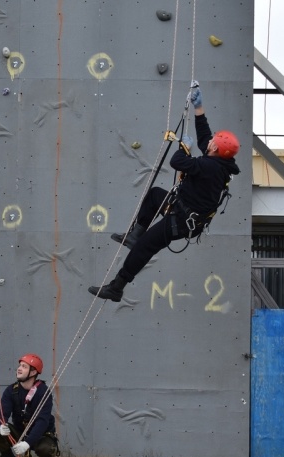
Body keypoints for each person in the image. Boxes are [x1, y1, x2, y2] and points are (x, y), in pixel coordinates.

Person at [89, 84, 240, 302]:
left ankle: (116, 288)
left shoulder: (209, 167)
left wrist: (183, 148)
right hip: (184, 208)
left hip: (181, 220)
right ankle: (135, 235)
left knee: (144, 248)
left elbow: (176, 161)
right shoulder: (220, 163)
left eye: (212, 143)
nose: (209, 142)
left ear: (215, 149)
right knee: (154, 195)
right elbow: (204, 139)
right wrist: (199, 110)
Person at [0, 353, 58, 457]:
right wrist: (1, 425)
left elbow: (43, 421)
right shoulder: (11, 390)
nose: (19, 369)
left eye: (24, 366)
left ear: (33, 372)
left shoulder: (43, 392)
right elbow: (3, 412)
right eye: (20, 365)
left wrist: (27, 443)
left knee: (45, 448)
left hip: (41, 434)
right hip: (20, 432)